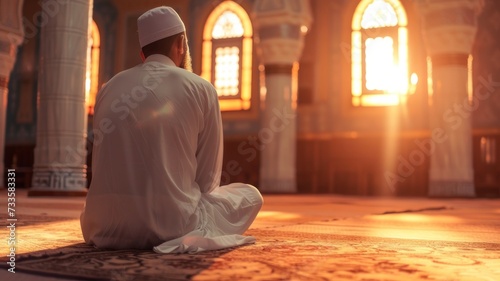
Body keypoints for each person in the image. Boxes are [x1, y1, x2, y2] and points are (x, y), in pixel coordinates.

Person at [80, 6, 263, 253]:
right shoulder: (201, 88)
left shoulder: (108, 88)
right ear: (181, 44)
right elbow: (208, 182)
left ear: (143, 53)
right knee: (250, 195)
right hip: (172, 225)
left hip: (102, 225)